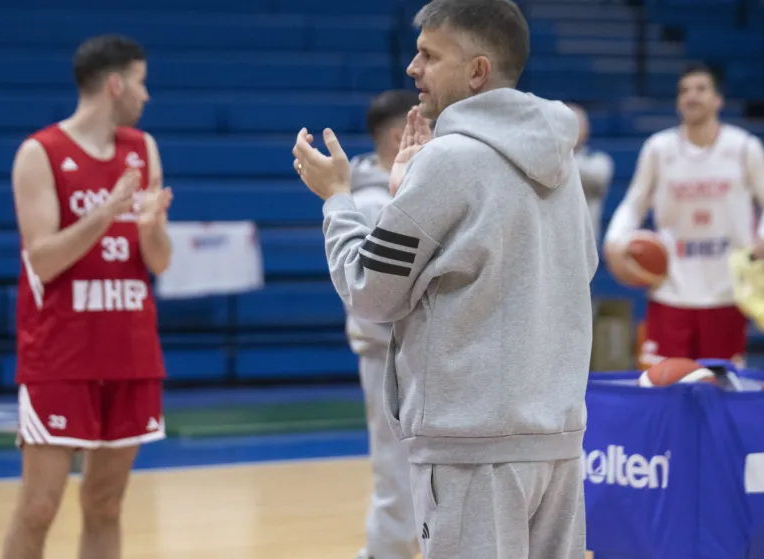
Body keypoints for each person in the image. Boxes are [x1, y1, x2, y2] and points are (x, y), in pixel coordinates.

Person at [292, 0, 597, 557]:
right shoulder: (562, 161)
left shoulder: (449, 161)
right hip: (558, 440)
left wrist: (337, 200)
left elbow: (369, 291)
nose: (412, 67)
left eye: (429, 55)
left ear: (477, 70)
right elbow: (583, 268)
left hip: (472, 447)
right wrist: (406, 197)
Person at [2, 34, 172, 559]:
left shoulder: (143, 149)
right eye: (141, 83)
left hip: (129, 347)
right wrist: (106, 211)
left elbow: (160, 262)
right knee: (39, 506)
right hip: (59, 352)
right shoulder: (39, 152)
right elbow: (43, 259)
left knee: (105, 503)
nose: (147, 96)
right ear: (116, 84)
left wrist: (148, 228)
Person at [603, 63, 764, 369]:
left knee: (720, 391)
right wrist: (615, 241)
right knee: (663, 389)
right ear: (678, 102)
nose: (692, 96)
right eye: (684, 91)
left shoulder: (744, 148)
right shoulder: (659, 148)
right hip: (670, 290)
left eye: (701, 89)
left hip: (727, 292)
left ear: (717, 99)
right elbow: (634, 204)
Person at [346, 89, 420, 559]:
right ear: (399, 135)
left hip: (401, 354)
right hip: (389, 353)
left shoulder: (377, 190)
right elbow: (383, 294)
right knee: (396, 473)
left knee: (410, 470)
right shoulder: (375, 202)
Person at [567, 102, 614, 243]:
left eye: (574, 124)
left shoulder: (598, 161)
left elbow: (595, 178)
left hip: (584, 245)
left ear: (586, 129)